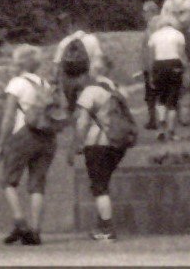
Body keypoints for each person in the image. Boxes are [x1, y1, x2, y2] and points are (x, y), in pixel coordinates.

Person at [0, 44, 57, 246]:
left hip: (24, 135)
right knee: (37, 184)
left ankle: (20, 222)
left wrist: (2, 142)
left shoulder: (17, 83)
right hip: (47, 137)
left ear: (19, 62)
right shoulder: (46, 84)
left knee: (8, 181)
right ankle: (36, 231)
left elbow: (8, 116)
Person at [74, 54, 133, 242]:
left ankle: (107, 229)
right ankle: (101, 227)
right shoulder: (119, 90)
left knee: (99, 187)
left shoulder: (90, 91)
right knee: (104, 183)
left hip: (97, 142)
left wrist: (77, 143)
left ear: (93, 70)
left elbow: (82, 121)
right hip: (118, 143)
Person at [147, 14, 188, 141]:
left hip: (158, 65)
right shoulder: (178, 35)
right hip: (174, 64)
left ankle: (161, 125)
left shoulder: (154, 36)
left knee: (161, 98)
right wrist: (185, 71)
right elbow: (182, 55)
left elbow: (151, 56)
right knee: (173, 99)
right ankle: (171, 132)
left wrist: (150, 74)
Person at [52, 22, 104, 112]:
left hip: (68, 77)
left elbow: (57, 64)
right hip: (86, 75)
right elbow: (98, 59)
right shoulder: (92, 39)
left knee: (71, 106)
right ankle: (86, 120)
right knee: (88, 104)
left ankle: (72, 121)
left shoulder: (64, 42)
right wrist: (97, 76)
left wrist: (55, 80)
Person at [140, 0, 164, 130]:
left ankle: (153, 121)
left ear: (152, 11)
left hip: (152, 62)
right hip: (162, 60)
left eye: (145, 12)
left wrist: (146, 65)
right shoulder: (163, 22)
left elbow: (149, 46)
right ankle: (163, 119)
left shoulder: (152, 25)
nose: (143, 15)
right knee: (161, 93)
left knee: (150, 95)